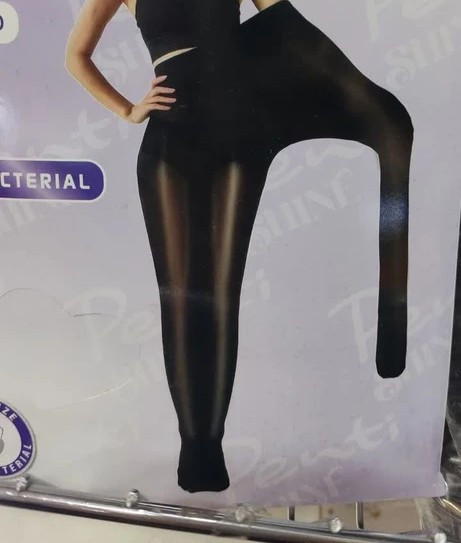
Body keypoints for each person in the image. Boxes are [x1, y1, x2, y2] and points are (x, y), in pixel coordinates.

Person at [66, 0, 270, 493]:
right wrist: (128, 109)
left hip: (237, 142)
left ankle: (211, 449)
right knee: (181, 300)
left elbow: (290, 25)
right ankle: (193, 453)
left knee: (220, 297)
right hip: (169, 147)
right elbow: (76, 55)